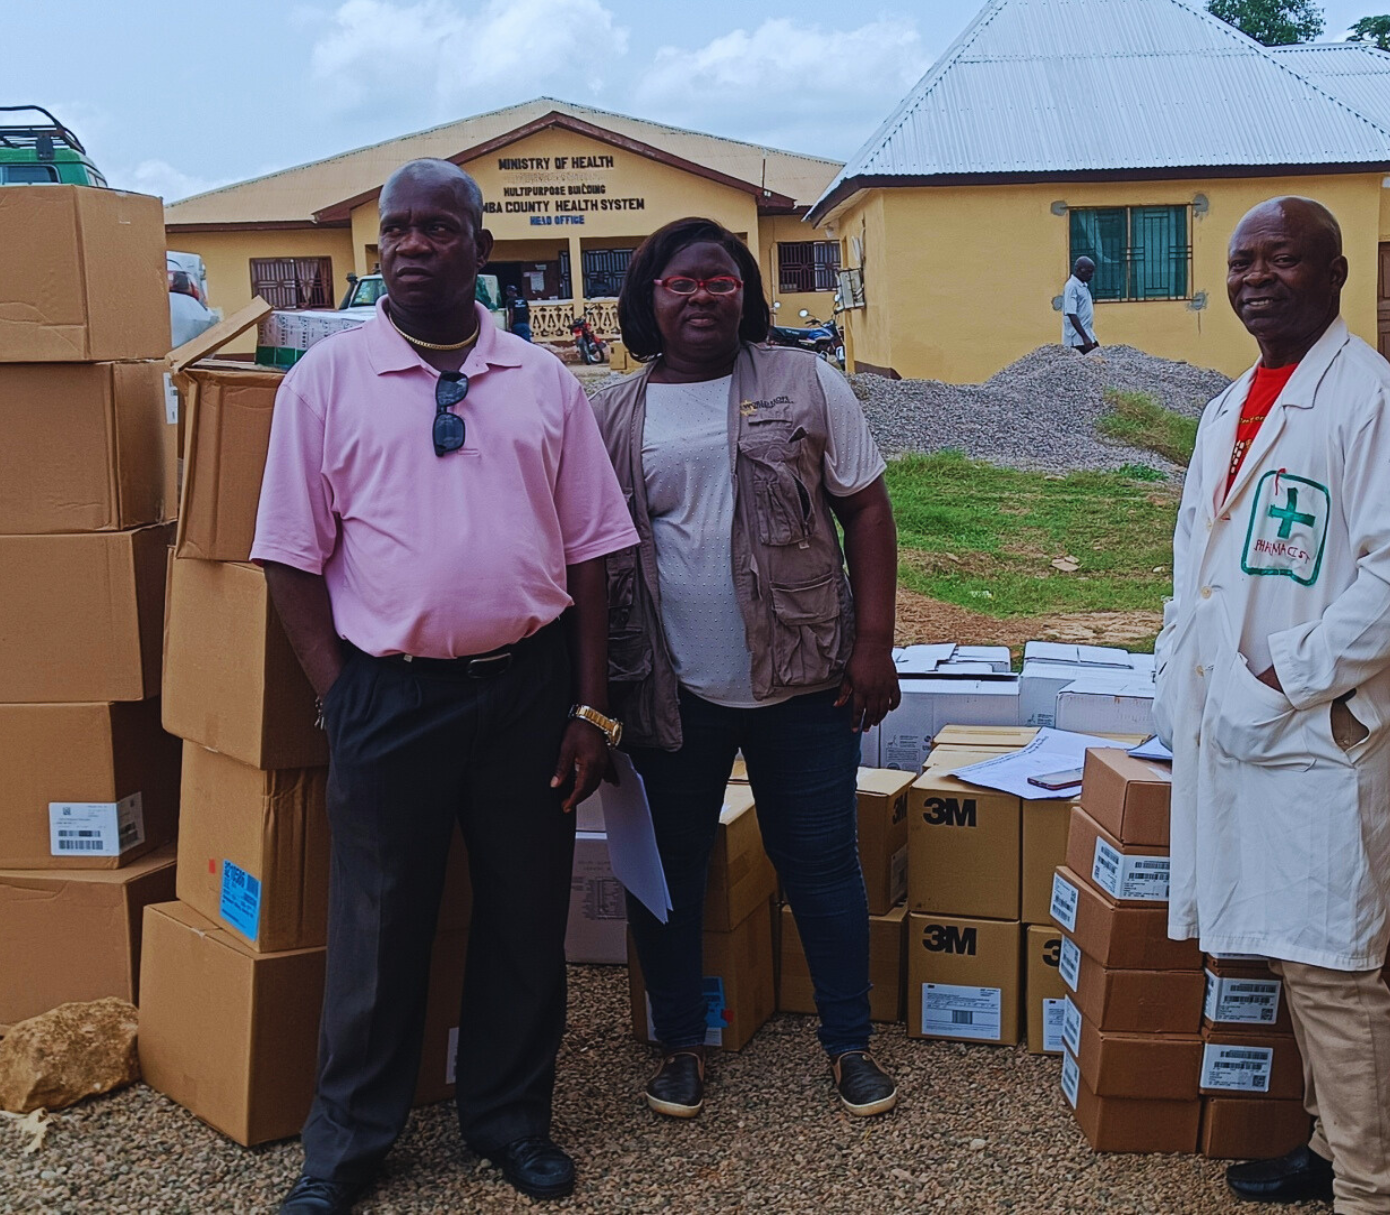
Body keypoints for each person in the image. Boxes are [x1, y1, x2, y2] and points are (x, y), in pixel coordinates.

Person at [251, 159, 639, 1214]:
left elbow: (594, 553)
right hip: (387, 695)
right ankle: (346, 1149)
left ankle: (509, 1120)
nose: (411, 245)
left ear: (479, 246)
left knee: (522, 916)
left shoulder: (543, 382)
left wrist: (590, 708)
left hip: (529, 694)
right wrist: (338, 694)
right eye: (396, 230)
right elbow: (288, 555)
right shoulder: (324, 382)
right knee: (378, 930)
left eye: (436, 227)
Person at [1153, 197, 1390, 1213]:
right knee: (1285, 947)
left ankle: (1371, 1188)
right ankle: (1326, 1145)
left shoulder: (1372, 404)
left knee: (1328, 968)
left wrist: (1279, 676)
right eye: (1241, 262)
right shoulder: (1230, 403)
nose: (1255, 277)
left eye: (1282, 260)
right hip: (1234, 721)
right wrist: (1177, 667)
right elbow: (1199, 561)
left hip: (1310, 728)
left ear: (1333, 275)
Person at [588, 216, 904, 1122]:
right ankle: (681, 1043)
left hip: (804, 682)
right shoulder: (611, 412)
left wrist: (872, 643)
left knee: (821, 866)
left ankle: (848, 1045)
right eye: (680, 283)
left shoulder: (807, 383)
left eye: (719, 281)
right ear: (649, 297)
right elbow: (588, 555)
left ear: (746, 294)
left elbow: (868, 512)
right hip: (665, 687)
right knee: (670, 872)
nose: (701, 296)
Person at [1062, 255, 1098, 354]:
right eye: (1089, 272)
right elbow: (1071, 313)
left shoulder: (1083, 286)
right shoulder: (1071, 286)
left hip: (1088, 334)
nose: (1091, 275)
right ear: (1079, 270)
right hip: (1077, 339)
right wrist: (1084, 337)